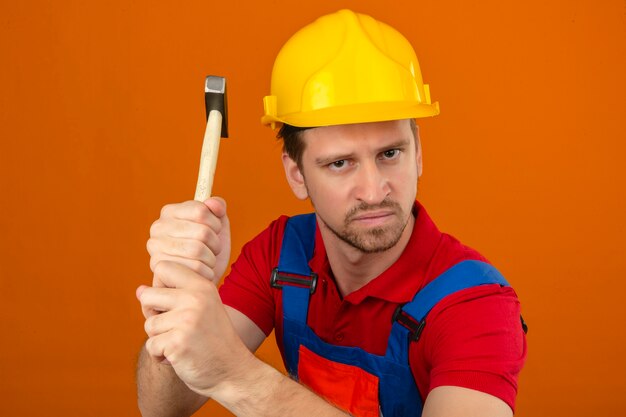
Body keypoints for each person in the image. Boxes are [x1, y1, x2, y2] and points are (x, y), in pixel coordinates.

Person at [135, 9, 527, 417]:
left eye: (390, 153)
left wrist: (237, 376)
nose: (375, 191)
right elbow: (163, 407)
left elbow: (227, 374)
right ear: (297, 174)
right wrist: (178, 305)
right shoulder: (280, 256)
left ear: (419, 153)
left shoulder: (474, 304)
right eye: (340, 163)